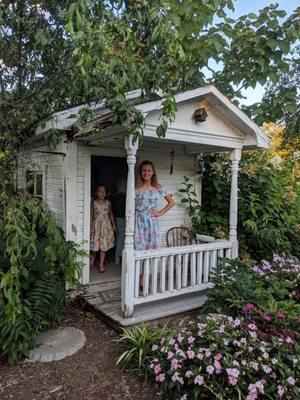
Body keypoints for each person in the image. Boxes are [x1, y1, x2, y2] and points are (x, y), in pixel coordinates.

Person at [135, 160, 175, 251]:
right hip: (137, 220)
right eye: (144, 170)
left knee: (151, 245)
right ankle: (140, 265)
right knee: (138, 246)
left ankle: (150, 265)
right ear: (141, 172)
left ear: (153, 172)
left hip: (150, 220)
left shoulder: (157, 187)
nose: (146, 173)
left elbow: (171, 202)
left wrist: (160, 213)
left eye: (149, 170)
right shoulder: (136, 187)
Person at [90, 184, 116, 273]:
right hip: (97, 226)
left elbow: (110, 214)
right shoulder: (93, 202)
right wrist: (91, 227)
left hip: (105, 227)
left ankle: (101, 265)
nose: (102, 193)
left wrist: (113, 224)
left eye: (104, 192)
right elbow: (91, 215)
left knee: (103, 246)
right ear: (97, 193)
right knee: (95, 245)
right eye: (100, 192)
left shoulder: (108, 203)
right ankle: (92, 259)